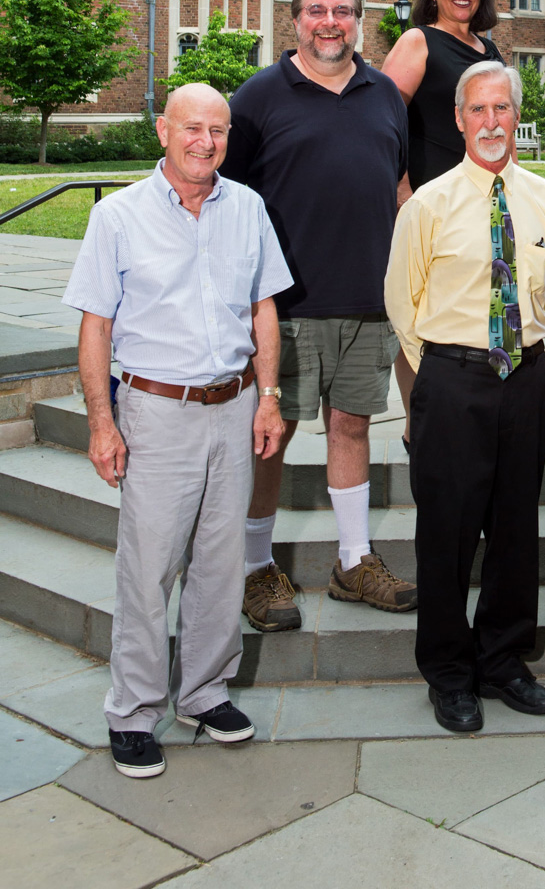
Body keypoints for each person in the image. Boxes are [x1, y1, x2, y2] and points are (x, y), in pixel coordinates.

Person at [63, 84, 293, 779]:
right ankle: (133, 710)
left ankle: (204, 692)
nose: (206, 142)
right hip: (154, 411)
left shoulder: (247, 208)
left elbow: (263, 311)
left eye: (218, 131)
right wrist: (102, 423)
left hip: (234, 405)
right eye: (192, 127)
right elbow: (95, 327)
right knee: (149, 566)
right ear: (164, 130)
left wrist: (270, 398)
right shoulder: (119, 217)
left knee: (223, 564)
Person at [222, 0, 416, 636]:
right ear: (294, 19)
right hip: (284, 306)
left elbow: (398, 185)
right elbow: (226, 201)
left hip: (368, 300)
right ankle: (253, 566)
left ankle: (353, 560)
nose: (328, 22)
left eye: (342, 11)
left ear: (359, 19)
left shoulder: (386, 93)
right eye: (315, 11)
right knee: (269, 438)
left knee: (352, 428)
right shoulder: (258, 97)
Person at [384, 60, 545, 733]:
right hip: (452, 378)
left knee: (517, 528)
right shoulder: (427, 204)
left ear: (518, 116)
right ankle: (448, 671)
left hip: (527, 377)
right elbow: (401, 302)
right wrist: (440, 375)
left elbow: (543, 289)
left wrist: (517, 357)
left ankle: (503, 661)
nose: (491, 122)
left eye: (503, 109)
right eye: (478, 110)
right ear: (459, 119)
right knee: (448, 532)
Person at [381, 0, 504, 193]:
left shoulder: (490, 49)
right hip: (432, 191)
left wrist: (511, 186)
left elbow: (504, 127)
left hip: (487, 191)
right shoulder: (417, 41)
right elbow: (384, 117)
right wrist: (400, 185)